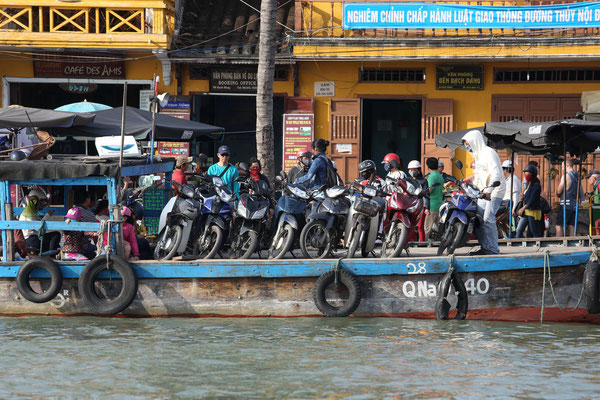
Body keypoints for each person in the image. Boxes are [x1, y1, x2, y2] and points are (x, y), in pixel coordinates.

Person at [462, 129, 506, 255]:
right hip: (483, 191)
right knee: (478, 219)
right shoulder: (477, 156)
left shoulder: (489, 153)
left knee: (488, 218)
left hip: (495, 190)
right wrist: (469, 183)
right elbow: (480, 176)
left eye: (468, 143)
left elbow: (496, 174)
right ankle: (484, 247)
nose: (467, 147)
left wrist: (490, 191)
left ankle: (492, 249)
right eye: (465, 144)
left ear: (474, 141)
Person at [19, 189, 61, 254]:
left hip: (33, 238)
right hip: (31, 239)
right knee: (55, 235)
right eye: (40, 201)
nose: (42, 204)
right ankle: (51, 255)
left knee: (55, 235)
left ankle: (50, 253)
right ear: (34, 201)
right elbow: (39, 226)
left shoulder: (32, 211)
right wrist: (48, 216)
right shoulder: (29, 212)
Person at [556, 158, 583, 237]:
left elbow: (558, 192)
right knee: (572, 226)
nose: (562, 168)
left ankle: (559, 244)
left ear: (567, 165)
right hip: (574, 205)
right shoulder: (577, 178)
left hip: (566, 204)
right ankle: (572, 244)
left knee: (559, 226)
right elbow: (581, 193)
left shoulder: (566, 176)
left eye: (562, 166)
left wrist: (558, 193)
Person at [515, 164, 543, 238]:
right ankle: (518, 246)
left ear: (533, 175)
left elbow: (532, 199)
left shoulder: (536, 185)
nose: (526, 176)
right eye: (525, 174)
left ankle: (538, 245)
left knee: (534, 231)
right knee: (519, 230)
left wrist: (523, 208)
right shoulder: (528, 185)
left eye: (528, 174)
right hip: (526, 212)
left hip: (533, 212)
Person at [407, 160, 428, 242]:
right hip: (411, 205)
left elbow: (427, 195)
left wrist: (427, 208)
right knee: (410, 225)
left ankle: (421, 243)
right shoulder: (408, 180)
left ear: (419, 170)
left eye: (414, 170)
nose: (412, 172)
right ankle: (410, 242)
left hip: (421, 205)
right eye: (410, 170)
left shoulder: (423, 181)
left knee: (420, 226)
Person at [425, 157, 444, 240]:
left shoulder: (431, 177)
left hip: (432, 205)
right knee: (440, 228)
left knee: (427, 228)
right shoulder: (440, 176)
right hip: (439, 204)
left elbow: (430, 190)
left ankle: (424, 245)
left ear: (428, 167)